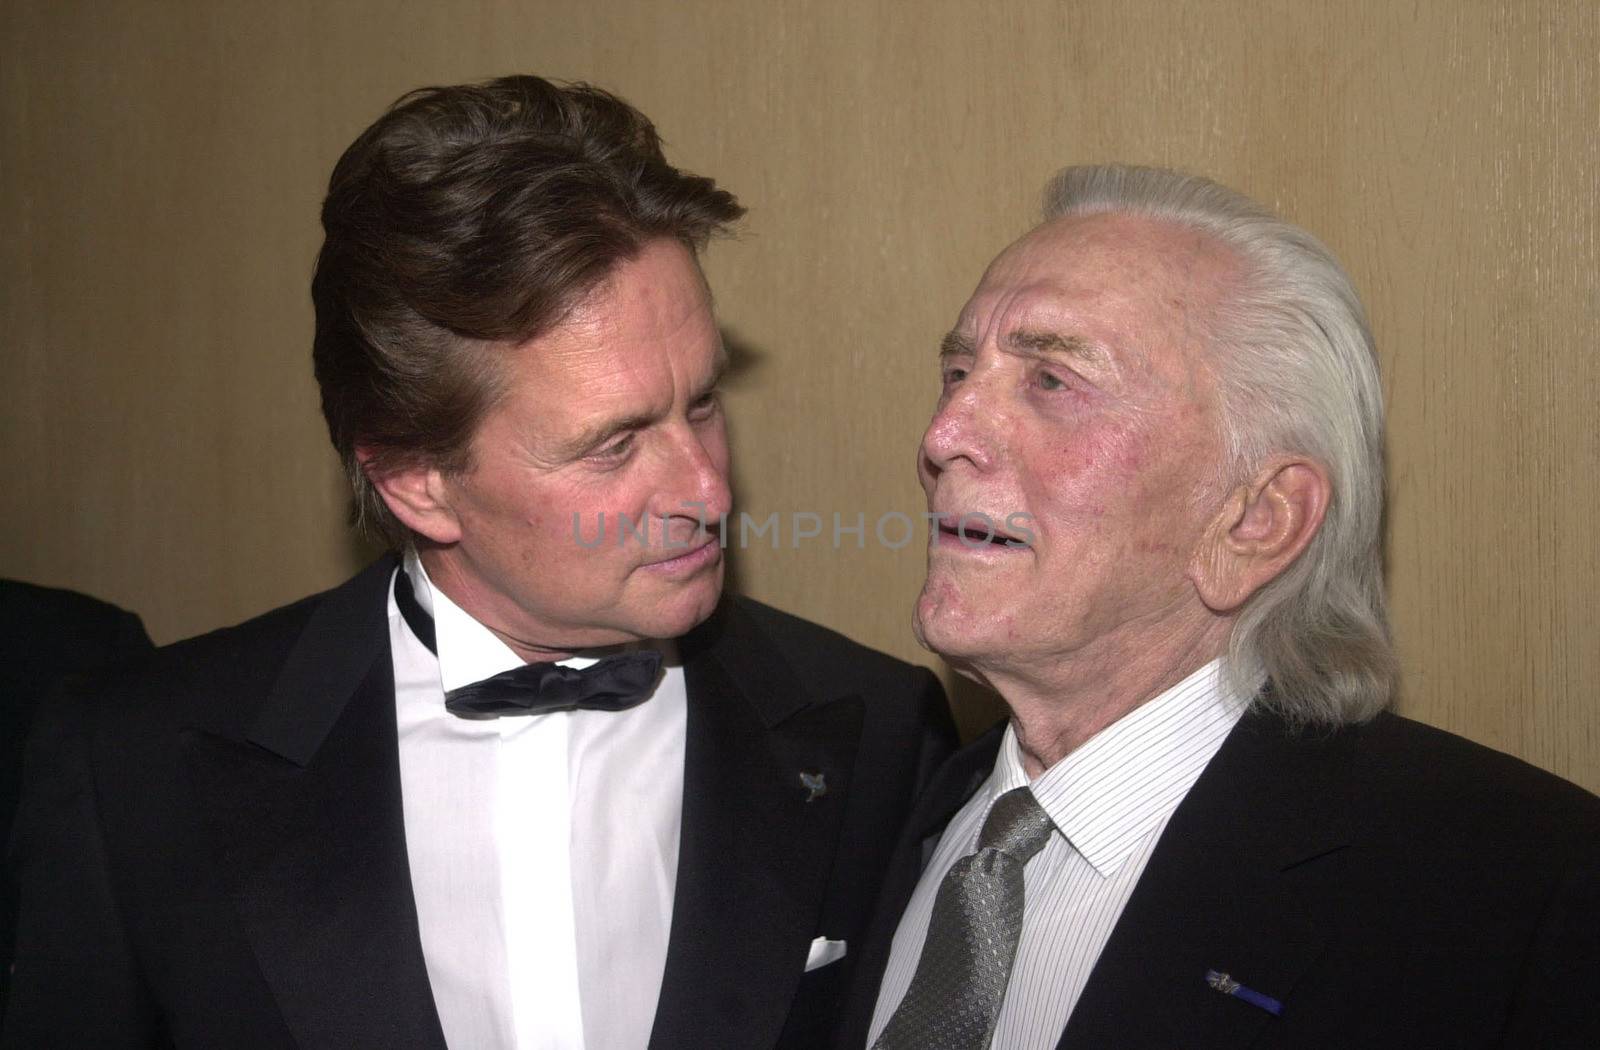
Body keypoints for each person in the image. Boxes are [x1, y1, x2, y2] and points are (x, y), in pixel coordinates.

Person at [2, 75, 955, 1050]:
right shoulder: (132, 769)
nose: (708, 493)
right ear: (417, 482)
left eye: (701, 403)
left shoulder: (877, 733)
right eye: (614, 444)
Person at [843, 164, 1600, 1049]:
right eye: (958, 369)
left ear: (1255, 523)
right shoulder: (880, 804)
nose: (943, 435)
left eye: (1051, 380)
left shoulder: (1524, 898)